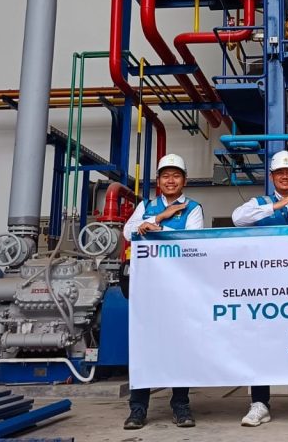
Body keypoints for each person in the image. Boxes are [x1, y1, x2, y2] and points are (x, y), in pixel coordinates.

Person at [230, 150, 288, 427]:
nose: (285, 176)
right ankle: (259, 402)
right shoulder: (257, 204)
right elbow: (237, 219)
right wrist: (275, 206)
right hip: (264, 288)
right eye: (280, 173)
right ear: (272, 177)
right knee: (261, 343)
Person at [121, 153, 203, 430]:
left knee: (180, 346)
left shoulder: (193, 208)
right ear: (158, 180)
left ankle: (180, 405)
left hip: (179, 288)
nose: (171, 180)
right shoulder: (146, 206)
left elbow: (191, 240)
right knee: (143, 347)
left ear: (184, 181)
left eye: (176, 176)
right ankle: (138, 408)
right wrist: (159, 217)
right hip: (147, 289)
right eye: (166, 176)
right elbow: (128, 232)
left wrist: (155, 228)